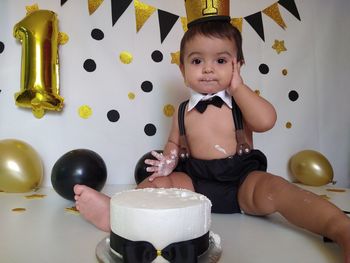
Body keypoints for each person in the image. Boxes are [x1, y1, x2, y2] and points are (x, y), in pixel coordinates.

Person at [74, 20, 350, 262]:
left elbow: (266, 121)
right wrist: (169, 161)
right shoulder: (182, 111)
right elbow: (174, 145)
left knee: (275, 188)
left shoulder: (240, 102)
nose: (208, 69)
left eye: (220, 61)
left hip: (242, 179)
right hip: (195, 181)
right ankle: (117, 215)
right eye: (197, 61)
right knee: (159, 184)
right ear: (182, 69)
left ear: (238, 65)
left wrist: (239, 88)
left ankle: (339, 227)